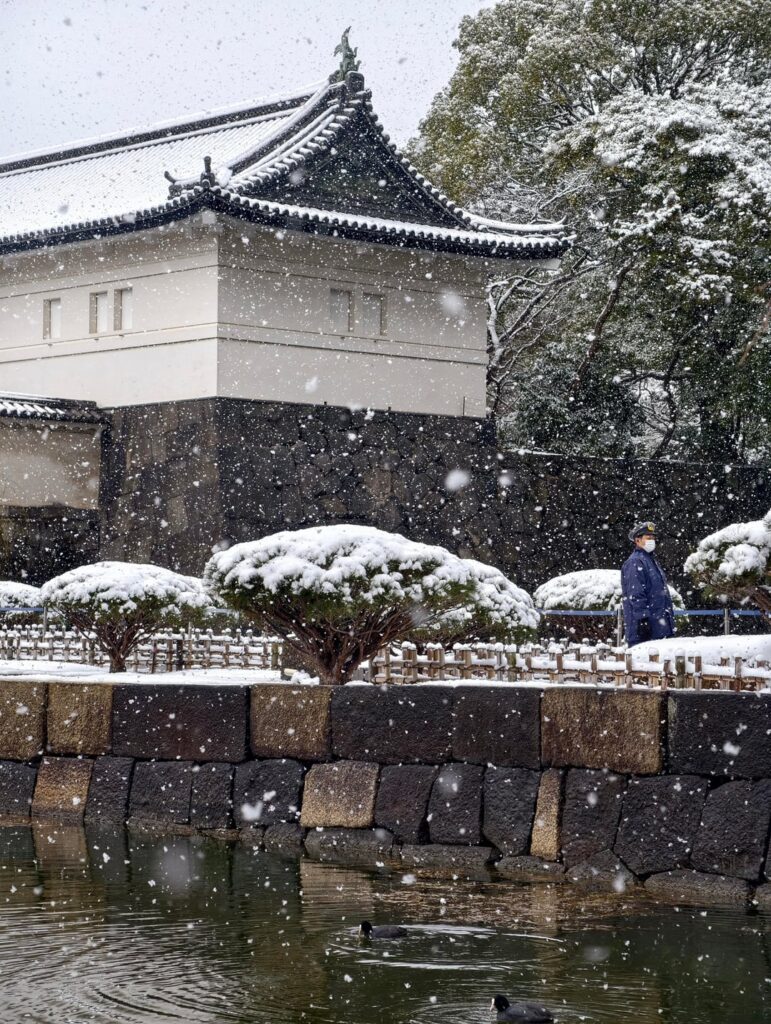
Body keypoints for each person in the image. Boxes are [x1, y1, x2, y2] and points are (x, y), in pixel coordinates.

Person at [621, 521, 675, 646]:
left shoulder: (650, 560)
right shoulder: (635, 562)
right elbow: (635, 594)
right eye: (648, 537)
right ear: (637, 540)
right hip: (645, 630)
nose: (652, 540)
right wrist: (642, 620)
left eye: (653, 538)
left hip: (659, 627)